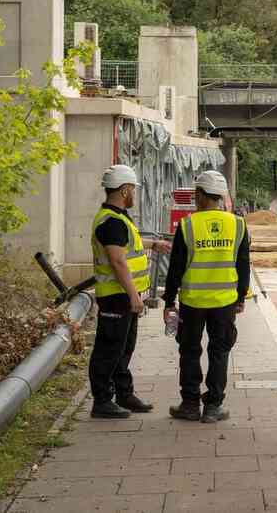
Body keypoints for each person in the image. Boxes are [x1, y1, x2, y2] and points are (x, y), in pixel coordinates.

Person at [163, 171, 251, 423]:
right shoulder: (238, 224)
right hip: (224, 303)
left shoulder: (188, 225)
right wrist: (241, 297)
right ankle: (213, 406)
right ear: (221, 196)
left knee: (189, 351)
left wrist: (169, 301)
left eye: (195, 194)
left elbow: (176, 268)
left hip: (192, 302)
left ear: (200, 195)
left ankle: (190, 404)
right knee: (219, 352)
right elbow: (243, 264)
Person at [88, 165, 172, 419]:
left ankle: (124, 394)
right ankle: (102, 400)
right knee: (109, 348)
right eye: (133, 190)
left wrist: (153, 244)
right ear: (125, 190)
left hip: (123, 296)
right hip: (116, 296)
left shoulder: (119, 218)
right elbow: (117, 261)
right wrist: (134, 295)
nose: (134, 194)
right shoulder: (112, 222)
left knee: (124, 347)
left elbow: (129, 244)